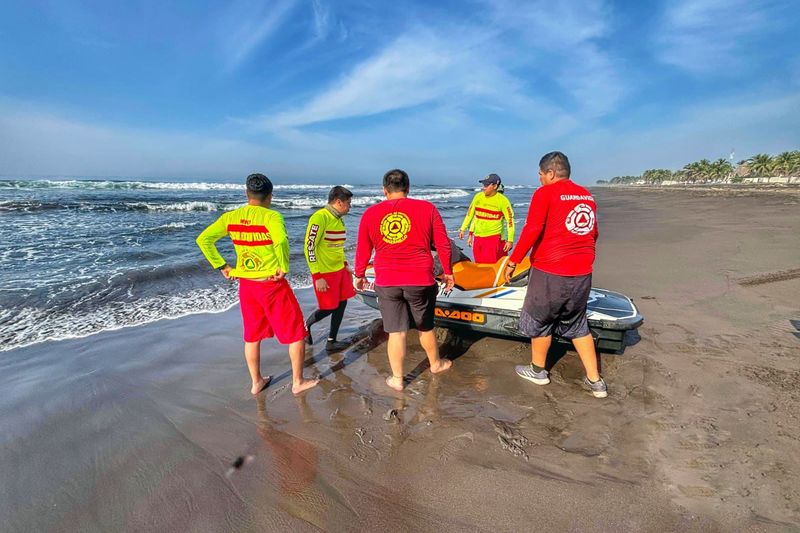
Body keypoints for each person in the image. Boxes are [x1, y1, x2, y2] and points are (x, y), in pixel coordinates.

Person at [196, 173, 319, 396]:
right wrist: (283, 265)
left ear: (246, 194)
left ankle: (256, 382)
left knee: (252, 336)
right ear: (270, 196)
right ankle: (298, 381)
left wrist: (222, 266)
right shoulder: (272, 217)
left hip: (247, 286)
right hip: (271, 284)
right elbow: (280, 240)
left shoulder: (230, 217)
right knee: (295, 332)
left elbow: (204, 239)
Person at [504, 152, 607, 398]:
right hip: (582, 272)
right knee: (578, 324)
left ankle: (538, 371)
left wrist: (513, 260)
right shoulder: (586, 195)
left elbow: (532, 229)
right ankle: (595, 381)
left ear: (550, 173)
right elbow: (593, 233)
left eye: (540, 175)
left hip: (551, 270)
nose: (539, 179)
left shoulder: (545, 193)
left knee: (540, 319)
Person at [354, 169, 455, 391]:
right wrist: (448, 271)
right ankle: (436, 364)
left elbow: (363, 249)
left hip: (387, 280)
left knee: (396, 332)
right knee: (425, 328)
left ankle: (398, 379)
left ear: (384, 190)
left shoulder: (370, 214)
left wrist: (359, 275)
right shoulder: (427, 208)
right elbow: (443, 244)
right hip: (420, 278)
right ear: (408, 189)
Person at [303, 186, 355, 352]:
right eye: (348, 203)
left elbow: (337, 246)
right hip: (324, 273)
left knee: (342, 303)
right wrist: (317, 276)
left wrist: (345, 265)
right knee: (329, 307)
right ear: (338, 202)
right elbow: (309, 247)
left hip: (339, 270)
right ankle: (306, 325)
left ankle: (331, 341)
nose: (350, 206)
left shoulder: (339, 219)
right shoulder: (319, 218)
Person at [458, 173, 515, 263]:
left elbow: (510, 221)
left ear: (495, 186)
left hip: (492, 237)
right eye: (484, 185)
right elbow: (470, 214)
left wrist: (510, 240)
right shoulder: (478, 197)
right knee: (478, 264)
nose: (483, 187)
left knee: (489, 266)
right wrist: (463, 229)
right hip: (478, 237)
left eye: (487, 185)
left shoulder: (503, 201)